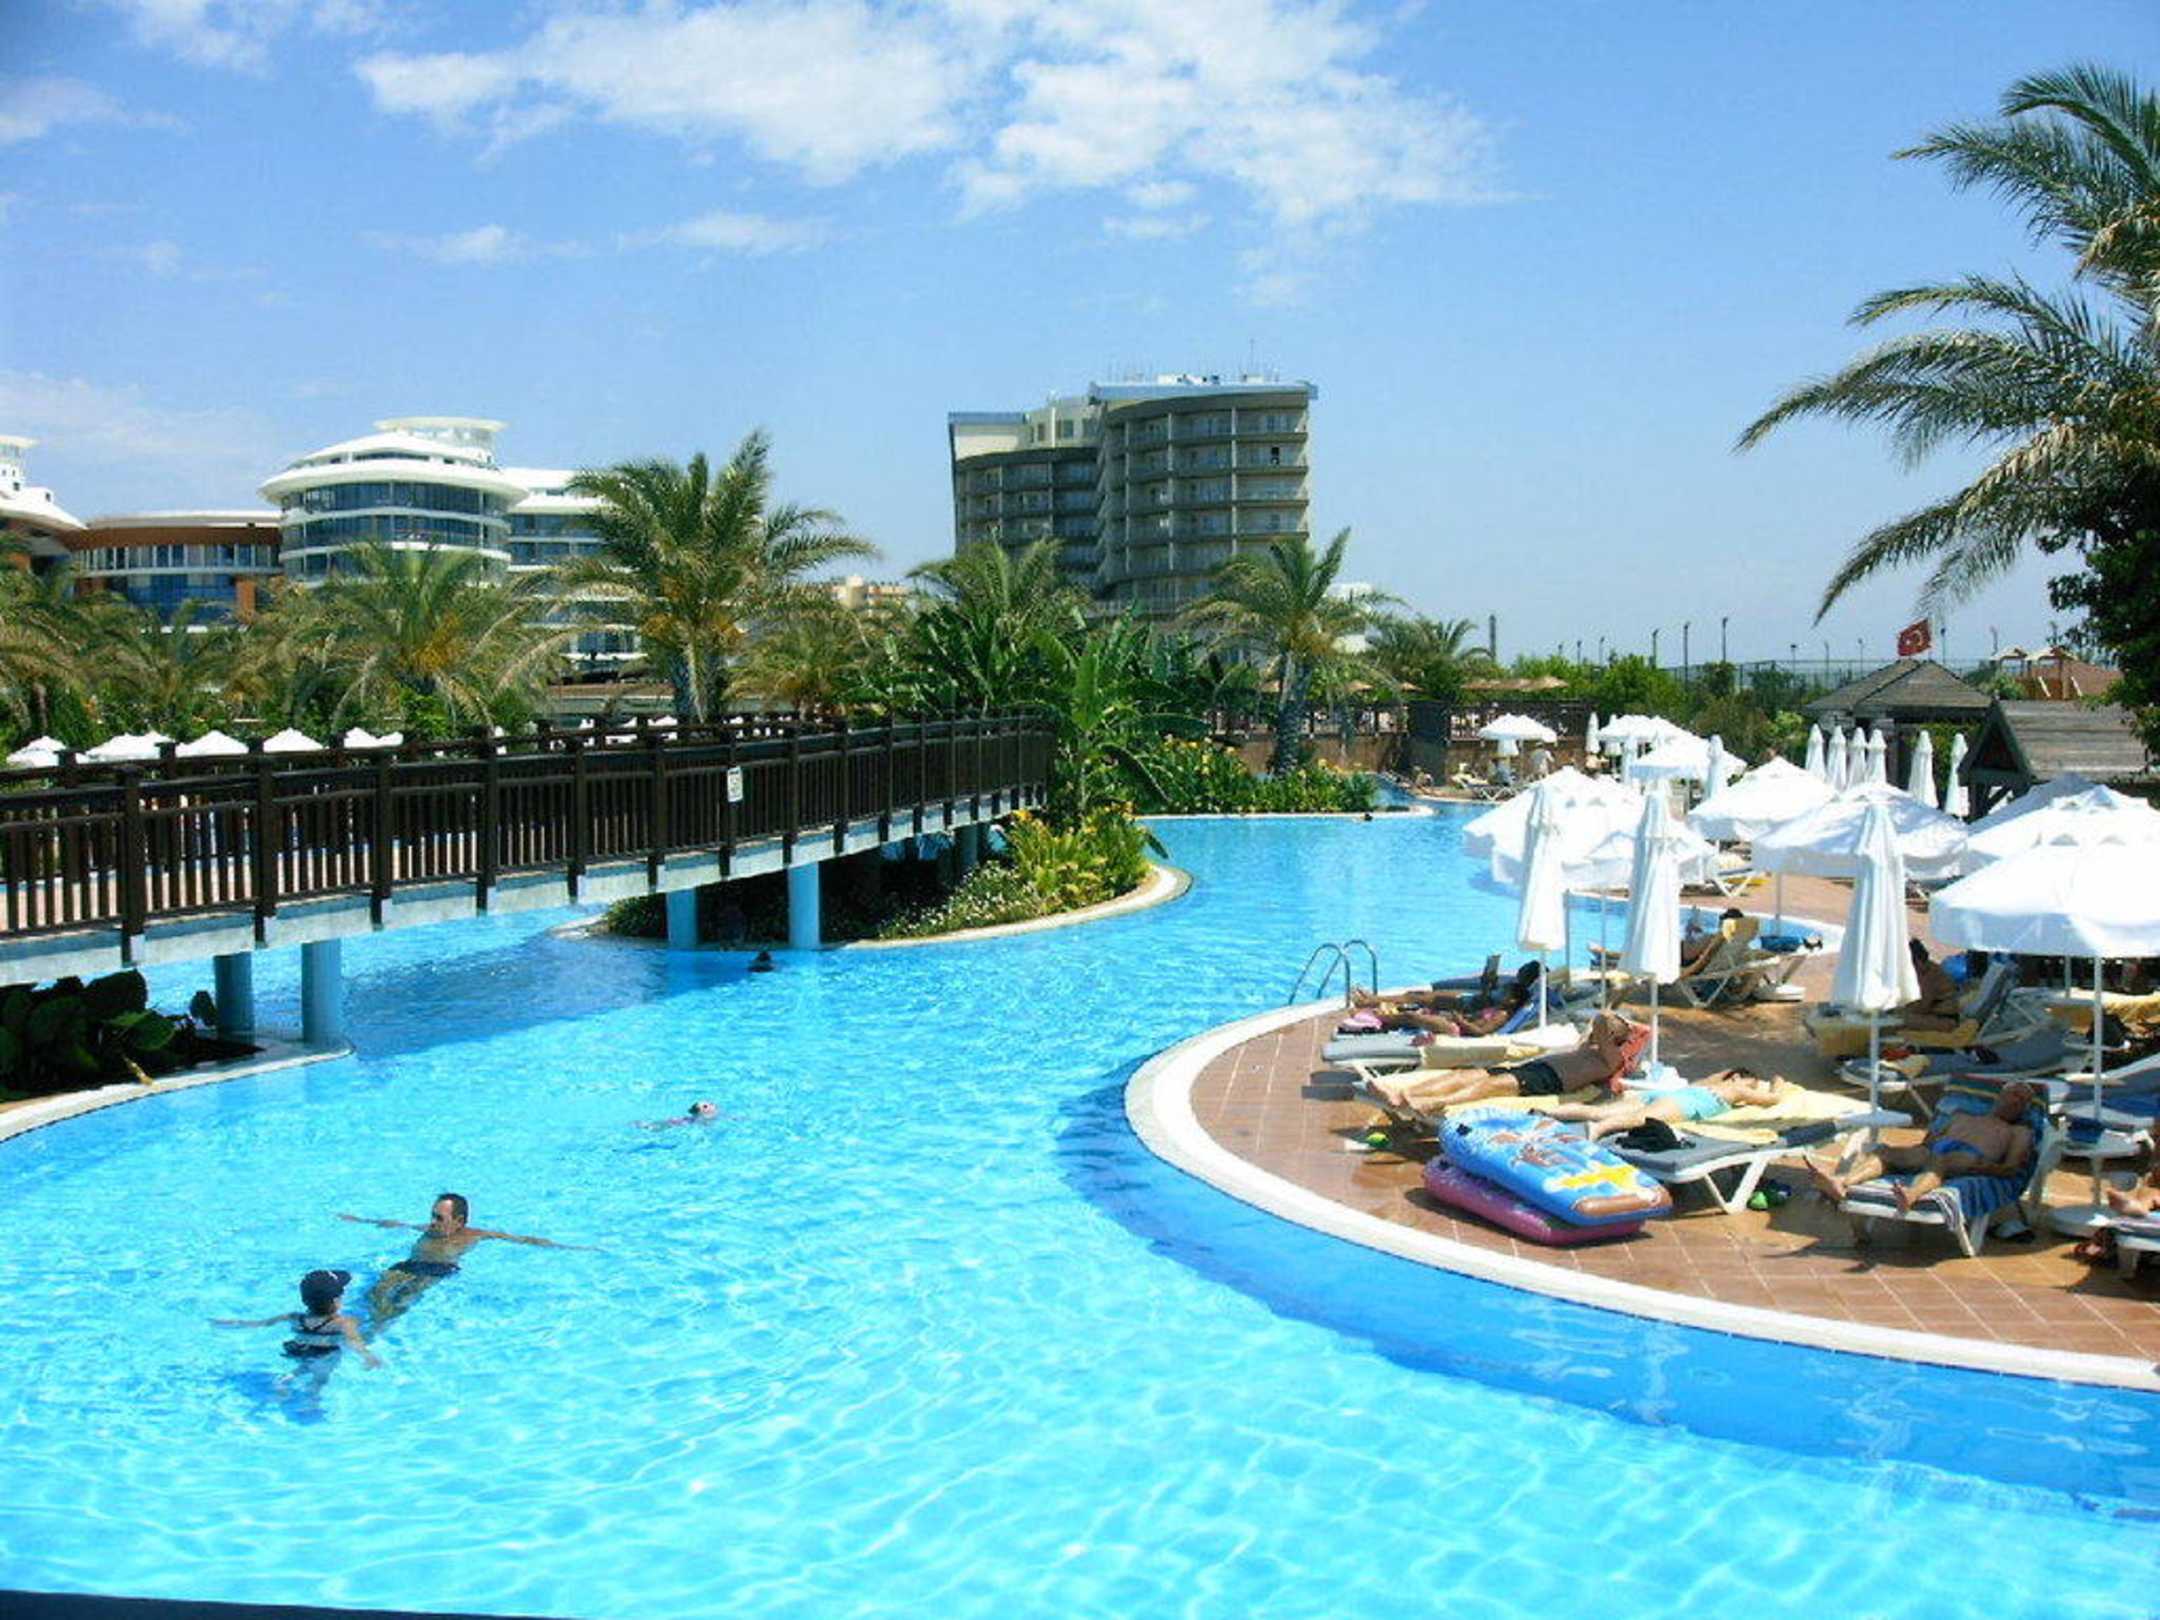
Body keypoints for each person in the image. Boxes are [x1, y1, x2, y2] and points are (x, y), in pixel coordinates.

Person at [340, 1194, 582, 1325]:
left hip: (437, 1269)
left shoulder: (474, 1235)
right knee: (375, 1293)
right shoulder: (428, 1229)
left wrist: (571, 1247)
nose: (433, 1222)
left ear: (459, 1221)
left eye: (440, 1218)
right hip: (409, 1265)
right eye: (432, 1216)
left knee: (403, 1297)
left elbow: (523, 1240)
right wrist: (360, 1220)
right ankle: (364, 1324)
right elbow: (395, 1224)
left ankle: (377, 1328)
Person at [1803, 1081, 2035, 1213]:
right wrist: (1913, 1152)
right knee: (1884, 1152)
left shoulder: (2019, 1131)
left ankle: (1911, 1195)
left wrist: (1986, 1168)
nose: (2018, 1101)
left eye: (2024, 1101)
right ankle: (1841, 1183)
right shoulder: (1961, 1116)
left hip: (1971, 1157)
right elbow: (1929, 1142)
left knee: (1939, 1162)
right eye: (2015, 1094)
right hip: (1936, 1150)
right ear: (2000, 1096)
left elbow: (2012, 1168)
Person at [1364, 1012, 1650, 1115]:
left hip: (1548, 1081)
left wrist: (1619, 1025)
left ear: (1615, 1038)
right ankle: (1405, 1093)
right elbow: (1594, 1026)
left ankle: (1433, 1103)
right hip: (1534, 1068)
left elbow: (1600, 1020)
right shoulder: (1588, 1045)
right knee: (1467, 1075)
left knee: (1490, 1086)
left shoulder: (1612, 1059)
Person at [214, 1267, 381, 1373]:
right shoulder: (344, 1323)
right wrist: (368, 1357)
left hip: (299, 1350)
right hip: (325, 1355)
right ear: (337, 1300)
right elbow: (355, 1342)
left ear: (304, 1299)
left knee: (303, 1366)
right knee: (319, 1380)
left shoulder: (294, 1318)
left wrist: (234, 1323)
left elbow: (261, 1324)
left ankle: (288, 1378)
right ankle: (312, 1400)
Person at [1547, 1068, 1784, 1141]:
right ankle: (1597, 1130)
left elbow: (1722, 1074)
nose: (1752, 1091)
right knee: (1639, 1119)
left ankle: (1548, 1112)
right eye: (1752, 1085)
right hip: (1684, 1103)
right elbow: (1772, 1099)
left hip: (1670, 1095)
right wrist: (1778, 1081)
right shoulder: (1736, 1089)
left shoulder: (1707, 1082)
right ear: (1737, 1078)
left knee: (1598, 1111)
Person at [1897, 940, 1964, 1031]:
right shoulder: (1931, 968)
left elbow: (1925, 1005)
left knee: (1903, 1020)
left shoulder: (1927, 974)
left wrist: (1904, 1010)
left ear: (1917, 961)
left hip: (1946, 1020)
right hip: (1941, 1014)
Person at [639, 1100, 721, 1130]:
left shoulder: (712, 1115)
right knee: (657, 1127)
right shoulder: (702, 1118)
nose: (711, 1105)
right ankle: (644, 1124)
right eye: (705, 1106)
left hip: (683, 1121)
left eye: (710, 1103)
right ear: (700, 1112)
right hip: (679, 1122)